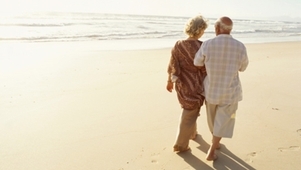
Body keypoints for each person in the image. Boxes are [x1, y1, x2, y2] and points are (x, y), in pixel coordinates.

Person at [194, 16, 249, 161]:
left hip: (211, 89)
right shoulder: (240, 46)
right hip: (230, 91)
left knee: (212, 119)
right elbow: (243, 68)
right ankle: (214, 146)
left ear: (217, 28)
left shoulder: (207, 44)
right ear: (230, 30)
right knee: (224, 120)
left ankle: (214, 144)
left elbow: (197, 62)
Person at [166, 15, 208, 152]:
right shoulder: (202, 46)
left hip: (182, 82)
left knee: (190, 108)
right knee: (190, 110)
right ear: (200, 30)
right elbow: (205, 67)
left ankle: (192, 133)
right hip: (196, 83)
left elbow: (172, 64)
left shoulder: (178, 44)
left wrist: (169, 81)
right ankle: (181, 144)